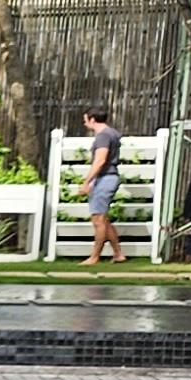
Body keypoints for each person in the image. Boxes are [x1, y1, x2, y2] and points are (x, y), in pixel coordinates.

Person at [78, 107, 124, 263]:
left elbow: (100, 160)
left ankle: (94, 257)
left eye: (85, 120)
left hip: (105, 178)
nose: (84, 124)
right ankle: (118, 254)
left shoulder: (103, 136)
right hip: (109, 177)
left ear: (92, 119)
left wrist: (87, 181)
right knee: (103, 219)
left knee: (98, 220)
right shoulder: (112, 133)